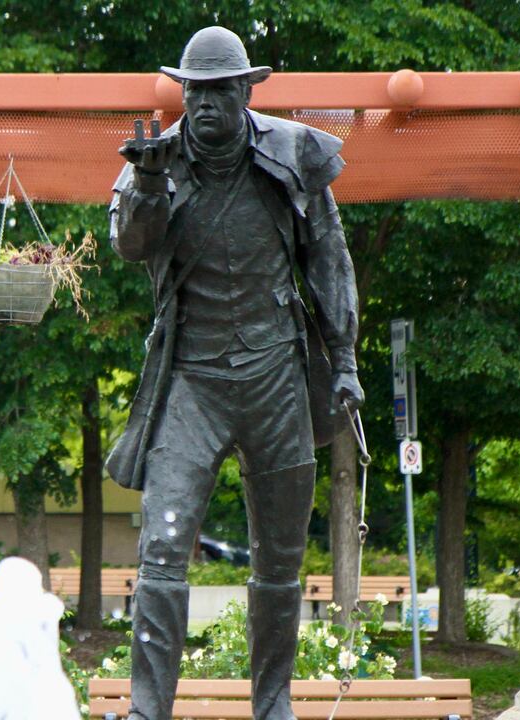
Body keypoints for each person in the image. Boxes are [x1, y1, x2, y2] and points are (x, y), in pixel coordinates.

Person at [104, 26, 364, 720]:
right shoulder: (154, 161)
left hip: (277, 377)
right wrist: (148, 184)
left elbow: (329, 261)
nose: (204, 103)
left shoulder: (295, 154)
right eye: (194, 90)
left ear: (247, 90)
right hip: (191, 381)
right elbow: (130, 245)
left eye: (219, 90)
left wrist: (344, 362)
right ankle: (148, 711)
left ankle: (273, 705)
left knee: (279, 559)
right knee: (163, 545)